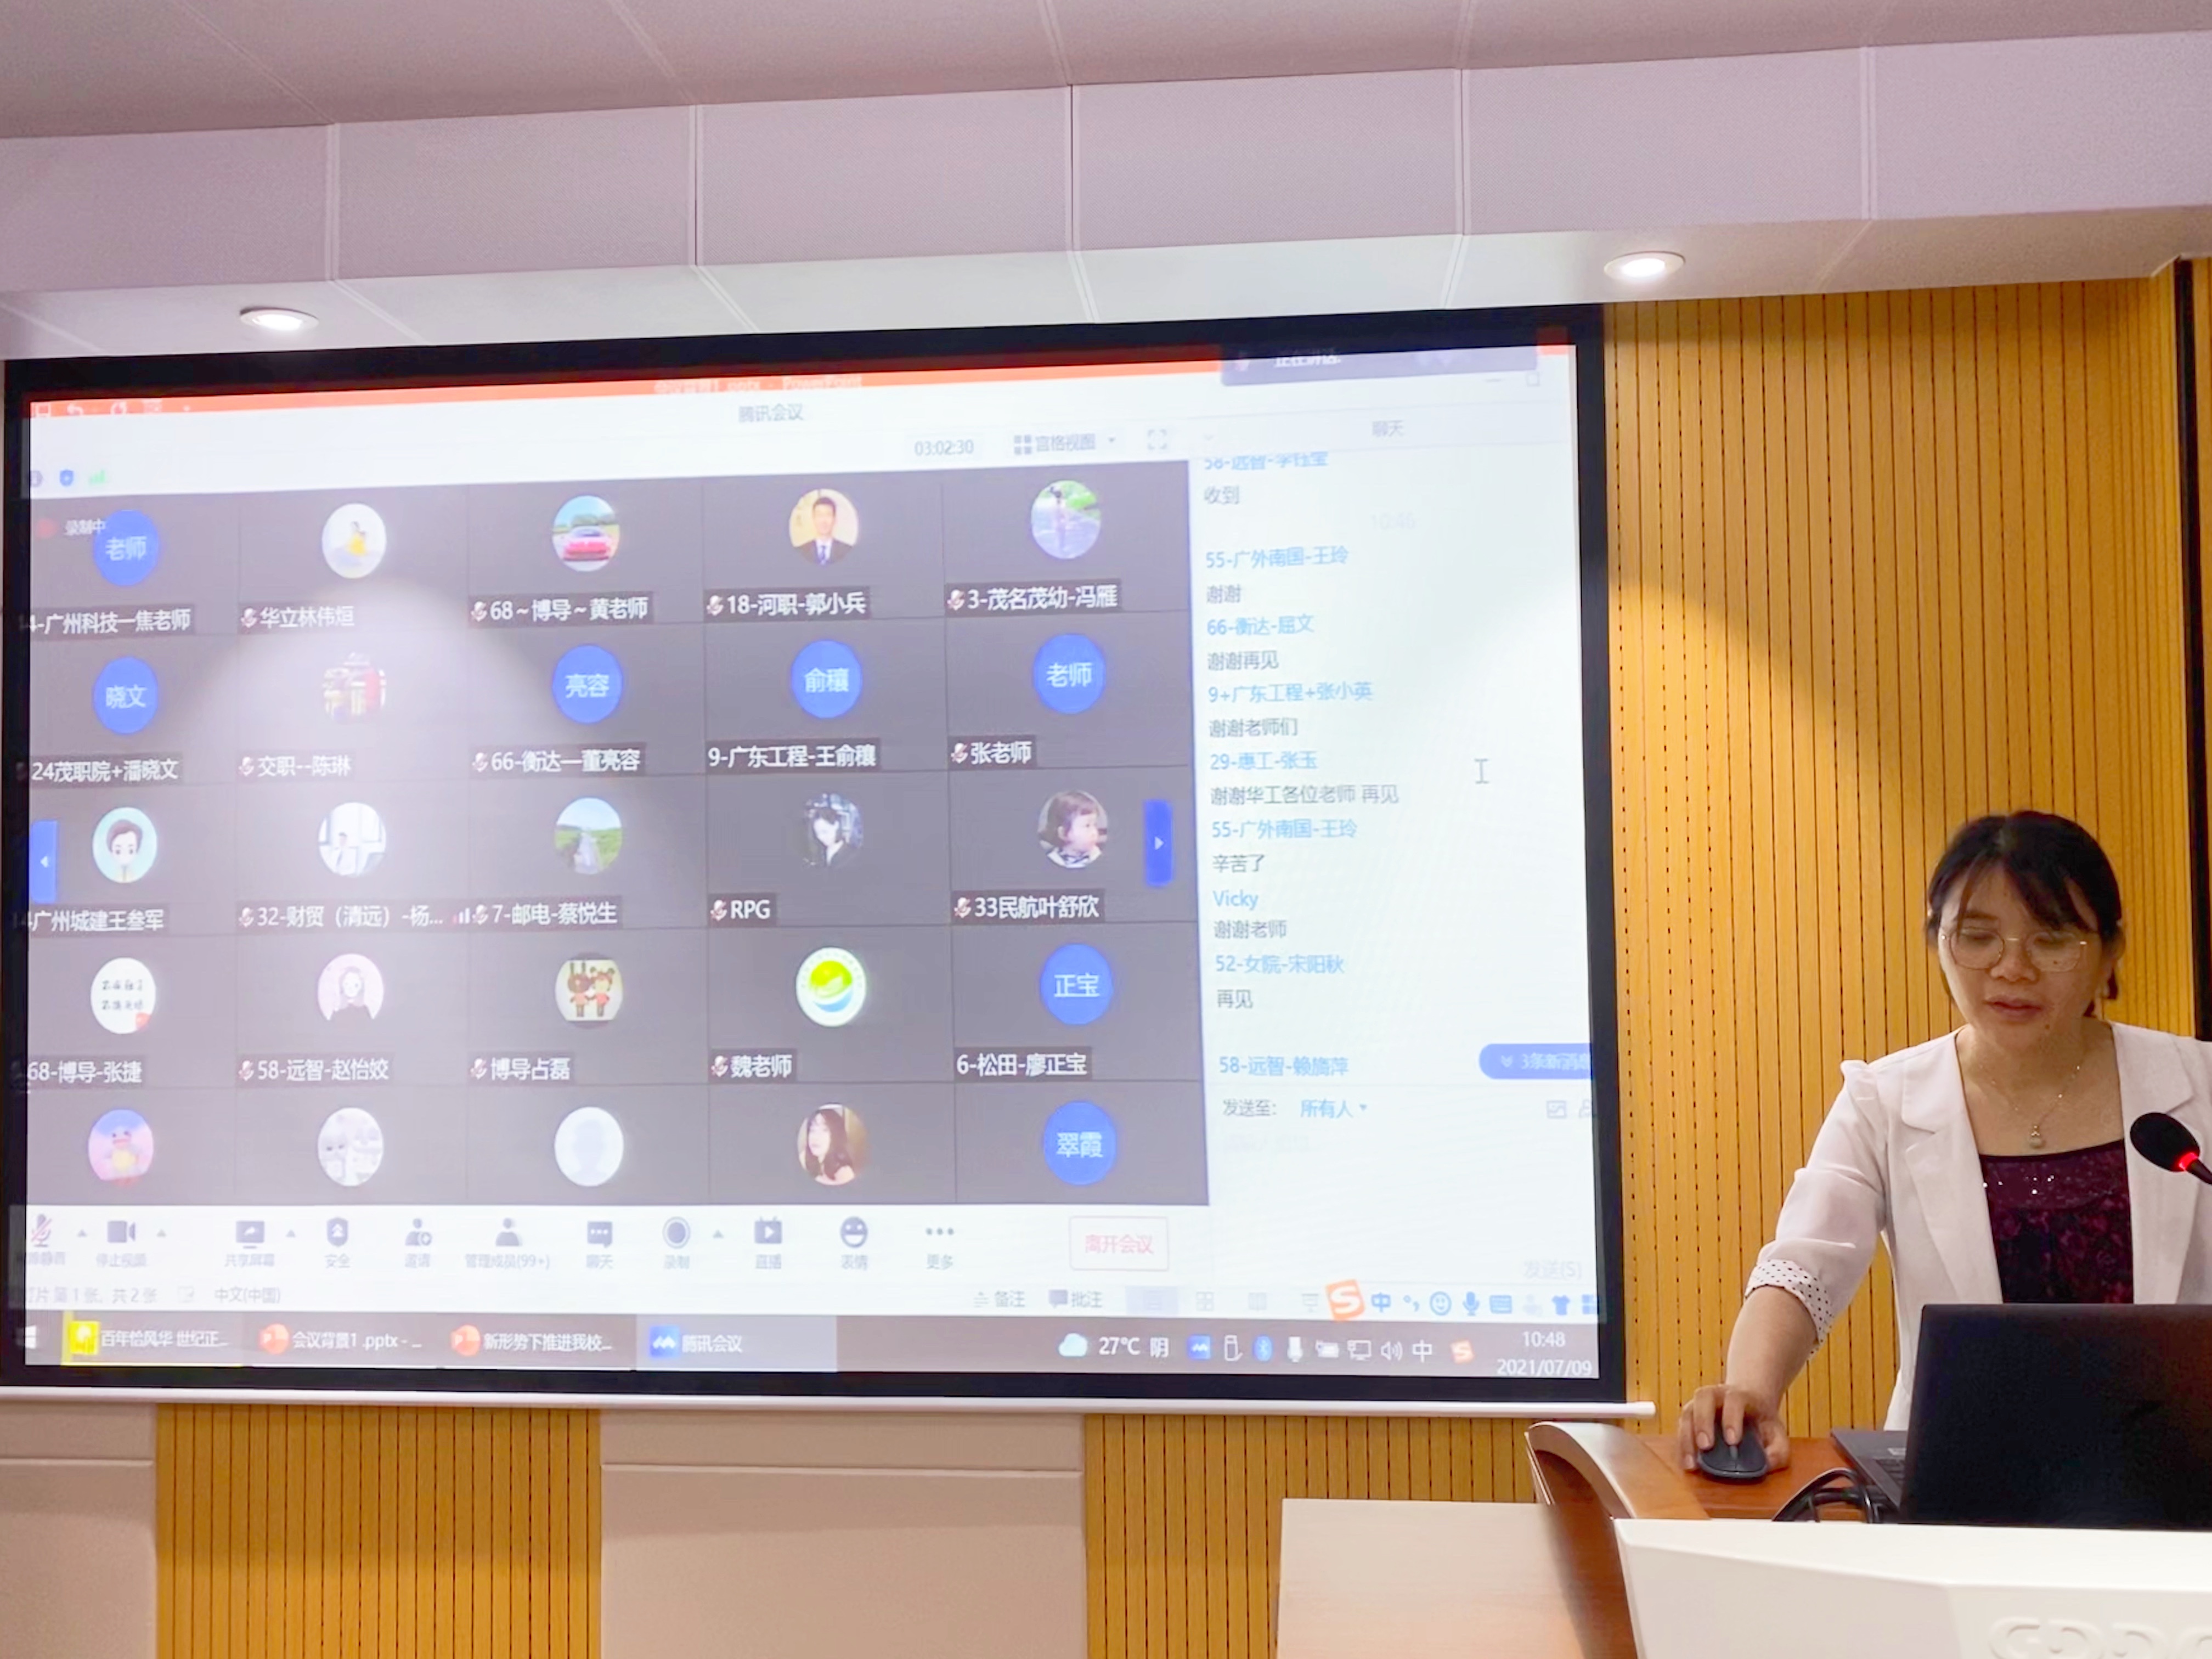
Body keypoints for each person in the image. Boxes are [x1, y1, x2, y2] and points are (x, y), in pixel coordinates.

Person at [1678, 811, 2212, 1471]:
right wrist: (1752, 1390)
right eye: (1978, 938)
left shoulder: (2199, 1086)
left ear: (2110, 951)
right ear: (1937, 943)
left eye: (2051, 940)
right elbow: (1802, 1269)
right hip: (1960, 1477)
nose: (2012, 969)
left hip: (2178, 1471)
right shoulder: (1884, 1100)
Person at [1037, 789, 1108, 869]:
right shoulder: (1050, 862)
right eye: (1087, 826)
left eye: (1095, 825)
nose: (1094, 833)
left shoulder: (1099, 857)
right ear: (1063, 833)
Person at [802, 1107, 859, 1186]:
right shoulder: (806, 1161)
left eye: (824, 1130)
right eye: (813, 1130)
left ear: (836, 1135)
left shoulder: (844, 1173)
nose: (815, 1137)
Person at [800, 795, 860, 867]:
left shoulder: (850, 854)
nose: (821, 838)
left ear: (836, 825)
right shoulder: (822, 853)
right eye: (817, 834)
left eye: (825, 832)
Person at [803, 493, 843, 567]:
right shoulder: (801, 551)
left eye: (828, 515)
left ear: (835, 519)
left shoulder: (847, 551)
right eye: (819, 515)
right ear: (813, 519)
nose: (824, 521)